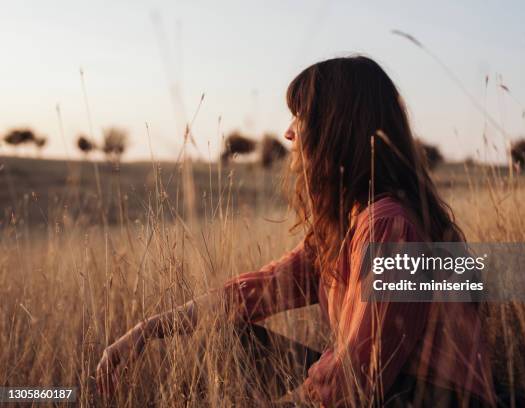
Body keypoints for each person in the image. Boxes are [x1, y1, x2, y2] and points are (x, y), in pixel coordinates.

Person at [96, 55, 495, 407]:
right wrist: (148, 330)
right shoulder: (351, 223)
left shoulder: (389, 226)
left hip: (424, 398)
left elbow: (357, 379)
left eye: (301, 116)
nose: (288, 132)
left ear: (337, 128)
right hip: (388, 390)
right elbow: (253, 292)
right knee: (223, 338)